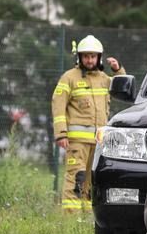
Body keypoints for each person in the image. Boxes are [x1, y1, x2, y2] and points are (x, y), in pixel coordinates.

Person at [51, 35, 125, 211]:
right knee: (76, 177)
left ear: (99, 58)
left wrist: (118, 70)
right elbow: (58, 105)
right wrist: (61, 134)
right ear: (80, 57)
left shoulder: (104, 79)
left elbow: (122, 89)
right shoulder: (69, 77)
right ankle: (70, 218)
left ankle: (86, 216)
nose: (89, 60)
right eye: (86, 56)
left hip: (99, 141)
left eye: (93, 56)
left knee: (92, 180)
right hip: (77, 142)